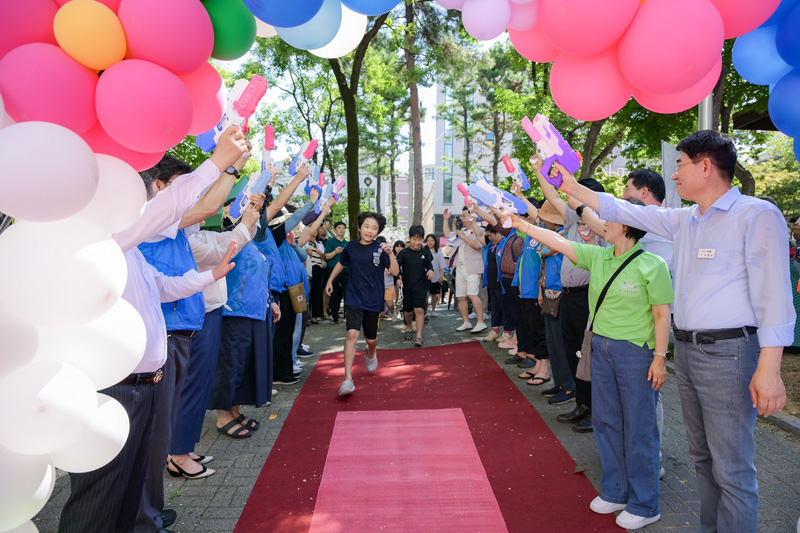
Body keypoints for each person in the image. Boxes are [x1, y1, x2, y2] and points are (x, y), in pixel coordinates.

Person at [557, 130, 793, 532]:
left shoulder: (755, 215)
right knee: (702, 459)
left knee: (731, 467)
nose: (676, 174)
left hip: (731, 352)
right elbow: (625, 210)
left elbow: (774, 297)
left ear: (705, 166)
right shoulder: (687, 220)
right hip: (691, 352)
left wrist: (769, 370)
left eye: (680, 165)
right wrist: (572, 186)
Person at [58, 127, 246, 533]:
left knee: (128, 489)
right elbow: (170, 209)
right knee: (99, 498)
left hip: (143, 383)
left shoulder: (123, 248)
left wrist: (208, 275)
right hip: (115, 389)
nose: (145, 206)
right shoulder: (101, 237)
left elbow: (160, 286)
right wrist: (218, 163)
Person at [506, 195, 673, 530]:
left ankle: (645, 503)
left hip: (636, 353)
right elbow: (556, 240)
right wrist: (522, 225)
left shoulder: (652, 264)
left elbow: (661, 314)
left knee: (639, 428)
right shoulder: (598, 256)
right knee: (607, 421)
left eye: (608, 218)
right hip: (600, 348)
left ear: (625, 225)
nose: (601, 223)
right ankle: (615, 490)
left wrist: (659, 358)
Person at [167, 193, 265, 481]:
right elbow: (223, 249)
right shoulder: (181, 239)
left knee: (198, 386)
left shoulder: (195, 235)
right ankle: (178, 455)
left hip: (208, 313)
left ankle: (183, 447)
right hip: (196, 316)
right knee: (191, 386)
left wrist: (250, 217)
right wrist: (245, 221)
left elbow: (230, 241)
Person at [326, 212, 399, 395]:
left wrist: (390, 254)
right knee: (351, 334)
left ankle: (371, 351)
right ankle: (348, 379)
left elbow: (395, 271)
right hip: (353, 297)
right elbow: (341, 264)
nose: (370, 231)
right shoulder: (350, 247)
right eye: (367, 226)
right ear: (359, 227)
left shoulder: (381, 248)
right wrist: (329, 281)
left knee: (370, 339)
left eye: (374, 228)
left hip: (374, 300)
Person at [442, 206, 487, 333]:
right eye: (462, 216)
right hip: (460, 267)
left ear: (472, 216)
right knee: (460, 297)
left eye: (464, 215)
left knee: (472, 294)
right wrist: (446, 220)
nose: (462, 218)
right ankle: (466, 322)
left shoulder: (480, 230)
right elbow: (447, 235)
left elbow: (478, 246)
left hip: (473, 267)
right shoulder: (461, 230)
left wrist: (463, 236)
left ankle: (480, 322)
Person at [396, 225, 434, 346]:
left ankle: (419, 336)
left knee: (419, 309)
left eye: (420, 239)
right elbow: (397, 268)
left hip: (421, 286)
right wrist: (397, 277)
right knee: (408, 311)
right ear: (409, 238)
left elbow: (429, 265)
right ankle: (408, 326)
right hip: (407, 287)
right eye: (414, 239)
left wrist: (431, 270)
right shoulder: (404, 253)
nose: (417, 242)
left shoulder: (425, 253)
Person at [325, 221, 348, 323]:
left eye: (343, 228)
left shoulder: (347, 244)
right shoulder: (330, 242)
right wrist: (335, 252)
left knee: (347, 293)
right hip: (333, 269)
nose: (341, 230)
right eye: (339, 228)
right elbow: (326, 256)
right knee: (334, 293)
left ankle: (347, 315)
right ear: (335, 230)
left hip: (346, 270)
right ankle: (335, 316)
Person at [425, 234, 447, 317]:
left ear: (435, 241)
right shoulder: (424, 251)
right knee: (425, 295)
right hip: (425, 277)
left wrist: (441, 275)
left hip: (436, 277)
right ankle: (425, 310)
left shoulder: (438, 252)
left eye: (432, 240)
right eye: (428, 241)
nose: (430, 242)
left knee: (434, 294)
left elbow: (442, 265)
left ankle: (433, 310)